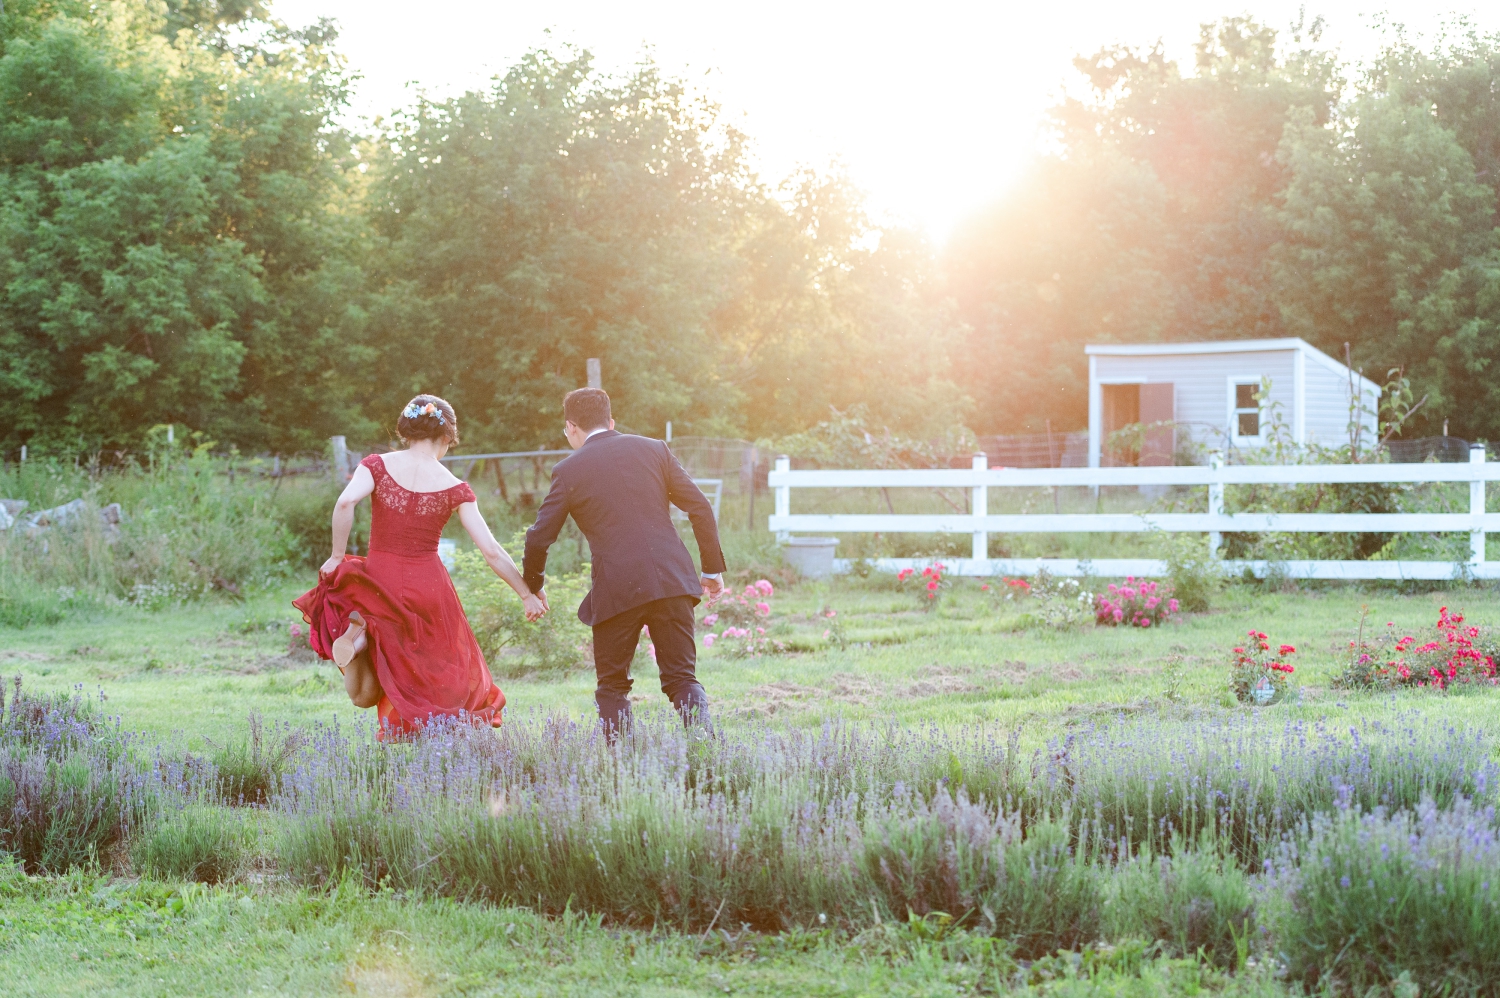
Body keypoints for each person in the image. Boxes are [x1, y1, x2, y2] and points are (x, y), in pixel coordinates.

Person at [294, 395, 545, 737]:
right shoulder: (456, 488)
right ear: (447, 437)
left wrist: (338, 556)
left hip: (379, 579)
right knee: (430, 675)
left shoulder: (376, 465)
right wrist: (526, 594)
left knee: (363, 695)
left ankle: (358, 637)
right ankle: (431, 739)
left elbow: (345, 501)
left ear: (405, 430)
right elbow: (491, 551)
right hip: (429, 588)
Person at [523, 388, 725, 731]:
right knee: (681, 679)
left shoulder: (568, 471)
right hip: (671, 579)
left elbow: (539, 536)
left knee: (613, 685)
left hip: (617, 588)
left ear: (571, 427)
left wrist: (533, 586)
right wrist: (711, 569)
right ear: (611, 421)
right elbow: (700, 507)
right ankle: (705, 751)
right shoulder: (654, 449)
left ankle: (621, 767)